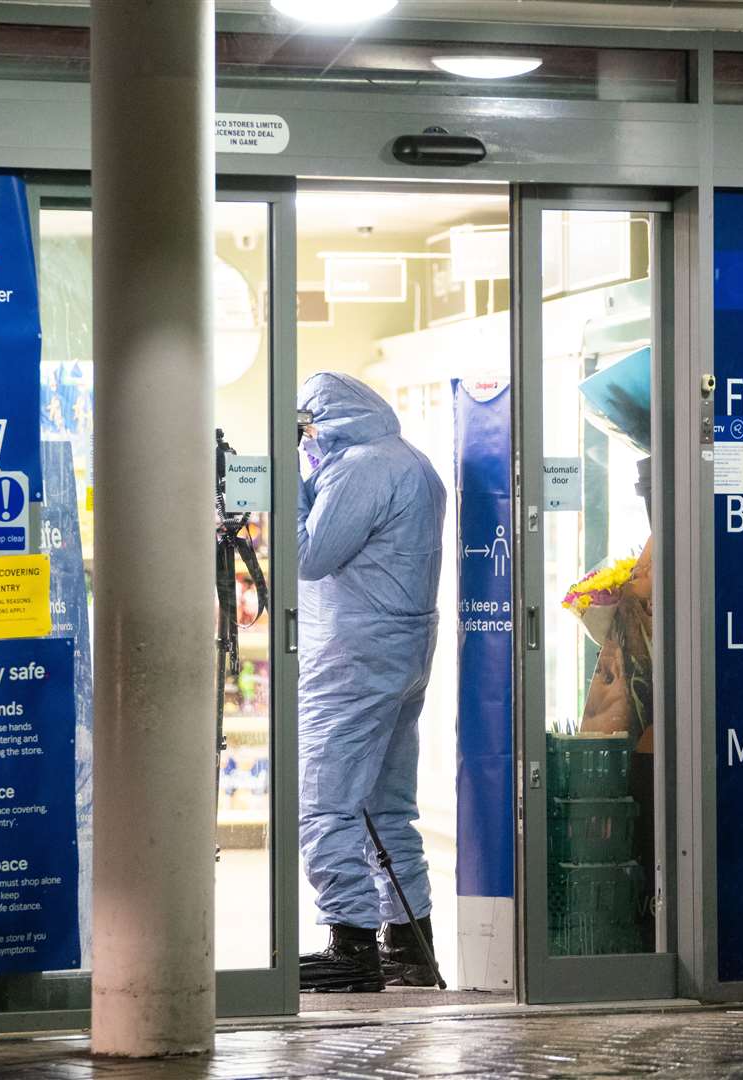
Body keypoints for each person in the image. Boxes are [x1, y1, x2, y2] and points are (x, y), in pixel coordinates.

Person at [296, 372, 446, 992]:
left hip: (354, 655)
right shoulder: (413, 461)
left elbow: (310, 554)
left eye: (305, 430)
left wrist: (284, 484)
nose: (305, 443)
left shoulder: (359, 467)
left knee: (324, 799)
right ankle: (410, 942)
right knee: (387, 805)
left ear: (325, 419)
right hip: (403, 650)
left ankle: (351, 943)